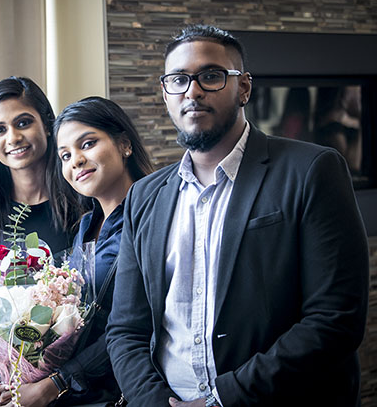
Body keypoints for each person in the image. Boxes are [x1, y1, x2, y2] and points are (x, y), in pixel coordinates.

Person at [105, 24, 369, 406]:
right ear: (165, 93)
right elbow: (126, 329)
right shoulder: (144, 196)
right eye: (178, 80)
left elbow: (335, 318)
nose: (192, 91)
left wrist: (223, 400)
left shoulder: (313, 169)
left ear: (243, 87)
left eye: (211, 76)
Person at [0, 96, 153, 407]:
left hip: (123, 392)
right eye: (64, 155)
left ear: (125, 144)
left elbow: (137, 327)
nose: (75, 160)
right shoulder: (86, 226)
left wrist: (55, 384)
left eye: (87, 144)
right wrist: (9, 366)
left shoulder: (149, 219)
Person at [0, 76, 84, 405]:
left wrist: (49, 381)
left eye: (23, 122)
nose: (13, 137)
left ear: (48, 125)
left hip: (60, 389)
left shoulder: (82, 203)